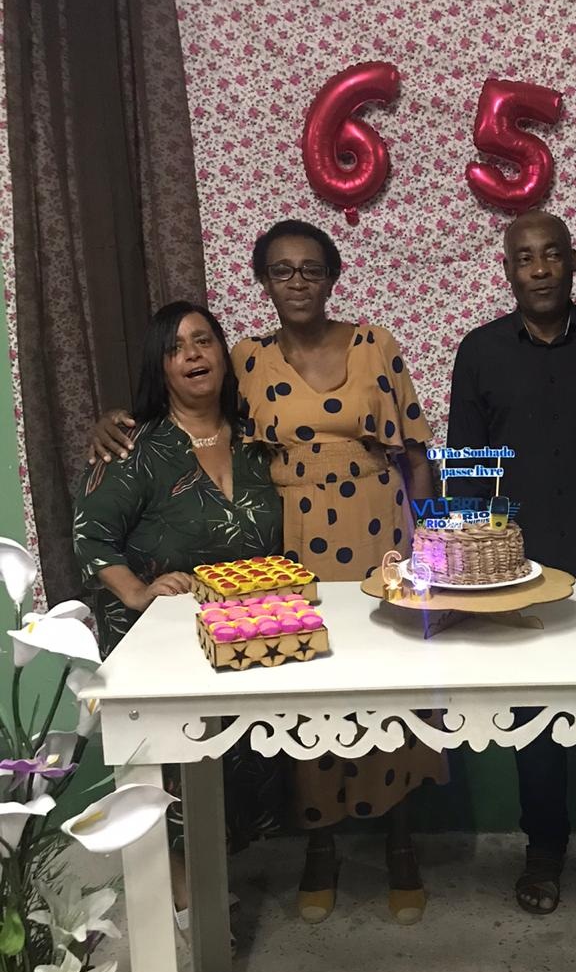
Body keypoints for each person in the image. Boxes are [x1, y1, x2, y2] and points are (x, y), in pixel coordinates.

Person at [89, 221, 447, 926]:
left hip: (382, 539)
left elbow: (415, 452)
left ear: (333, 276)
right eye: (282, 270)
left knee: (395, 684)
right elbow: (189, 407)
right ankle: (321, 847)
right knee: (308, 692)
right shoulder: (245, 359)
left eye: (311, 268)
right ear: (262, 282)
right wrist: (113, 420)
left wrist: (429, 546)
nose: (298, 281)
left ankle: (402, 845)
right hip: (294, 547)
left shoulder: (376, 344)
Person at [448, 210, 576, 916]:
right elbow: (468, 470)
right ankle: (543, 849)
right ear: (508, 271)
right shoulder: (480, 351)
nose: (538, 269)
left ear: (573, 261)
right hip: (519, 573)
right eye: (524, 258)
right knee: (533, 720)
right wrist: (468, 570)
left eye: (551, 255)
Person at [74, 302, 286, 929]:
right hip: (160, 639)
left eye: (203, 341)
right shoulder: (135, 445)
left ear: (223, 353)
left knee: (236, 763)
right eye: (175, 347)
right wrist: (137, 593)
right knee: (172, 763)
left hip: (244, 632)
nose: (193, 354)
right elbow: (91, 537)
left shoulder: (255, 437)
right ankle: (183, 886)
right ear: (160, 367)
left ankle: (210, 865)